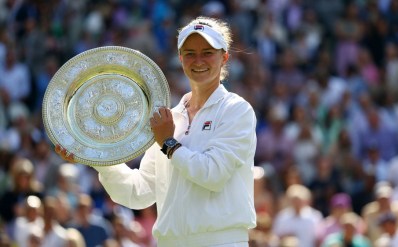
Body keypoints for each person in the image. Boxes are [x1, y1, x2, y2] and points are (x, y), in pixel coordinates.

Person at [56, 16, 257, 246]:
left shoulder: (236, 110)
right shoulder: (168, 119)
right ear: (181, 59)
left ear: (224, 57)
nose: (198, 60)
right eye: (190, 53)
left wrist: (169, 144)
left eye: (207, 52)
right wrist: (93, 154)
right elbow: (138, 192)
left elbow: (213, 175)